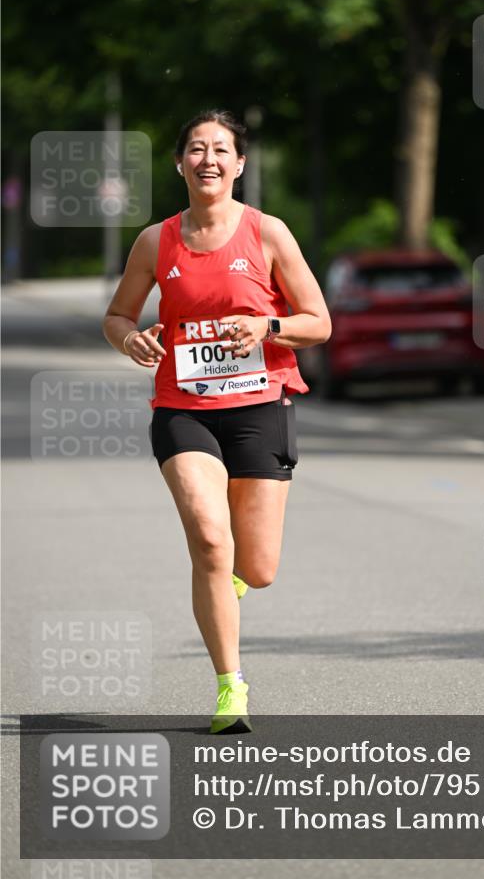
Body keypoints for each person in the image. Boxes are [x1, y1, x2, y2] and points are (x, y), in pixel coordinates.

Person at [102, 110, 331, 732]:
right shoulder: (156, 241)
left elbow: (319, 322)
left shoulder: (268, 233)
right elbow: (118, 316)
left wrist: (268, 325)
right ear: (179, 164)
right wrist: (132, 342)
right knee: (209, 537)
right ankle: (231, 688)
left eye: (220, 149)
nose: (208, 159)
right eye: (196, 149)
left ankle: (228, 581)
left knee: (255, 568)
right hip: (185, 409)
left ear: (239, 164)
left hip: (261, 405)